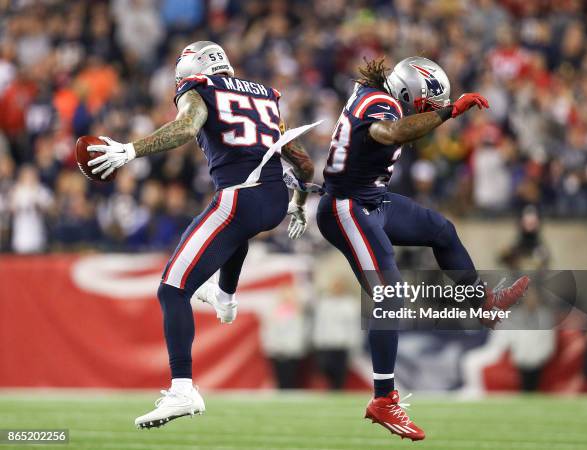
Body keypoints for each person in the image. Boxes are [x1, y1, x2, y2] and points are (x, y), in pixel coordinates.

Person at [86, 41, 316, 428]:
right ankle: (225, 296)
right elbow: (304, 163)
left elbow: (186, 126)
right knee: (236, 232)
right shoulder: (265, 94)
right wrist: (297, 202)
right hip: (274, 202)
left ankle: (182, 389)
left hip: (238, 200)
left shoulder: (199, 88)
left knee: (172, 289)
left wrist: (130, 151)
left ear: (190, 70)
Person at [316, 57, 530, 441]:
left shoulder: (379, 97)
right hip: (346, 207)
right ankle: (383, 399)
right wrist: (447, 113)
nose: (424, 113)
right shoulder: (380, 105)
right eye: (425, 104)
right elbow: (392, 132)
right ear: (406, 93)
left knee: (441, 230)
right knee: (391, 296)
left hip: (372, 200)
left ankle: (483, 304)